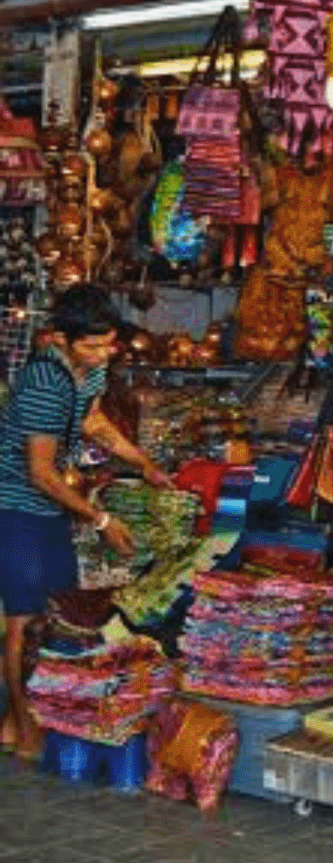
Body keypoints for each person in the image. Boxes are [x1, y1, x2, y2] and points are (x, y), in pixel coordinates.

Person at [2, 285, 173, 756]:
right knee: (25, 621)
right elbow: (41, 473)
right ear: (61, 339)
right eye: (92, 346)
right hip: (14, 505)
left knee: (54, 616)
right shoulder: (44, 380)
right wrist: (101, 521)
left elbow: (95, 423)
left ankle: (21, 717)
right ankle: (21, 726)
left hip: (50, 509)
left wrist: (143, 463)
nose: (103, 354)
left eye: (108, 344)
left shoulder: (89, 373)